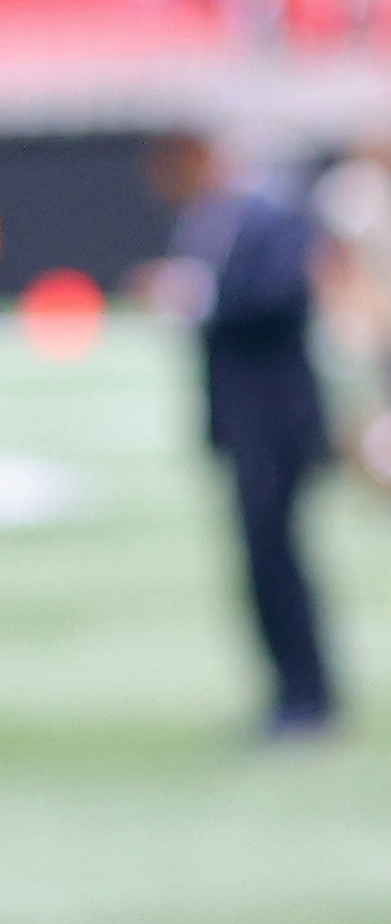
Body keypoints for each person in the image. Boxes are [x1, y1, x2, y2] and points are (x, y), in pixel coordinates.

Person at [161, 134, 339, 737]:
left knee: (279, 563)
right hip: (243, 424)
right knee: (261, 566)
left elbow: (283, 298)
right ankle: (288, 694)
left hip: (278, 424)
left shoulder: (273, 217)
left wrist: (204, 302)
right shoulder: (207, 223)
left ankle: (308, 697)